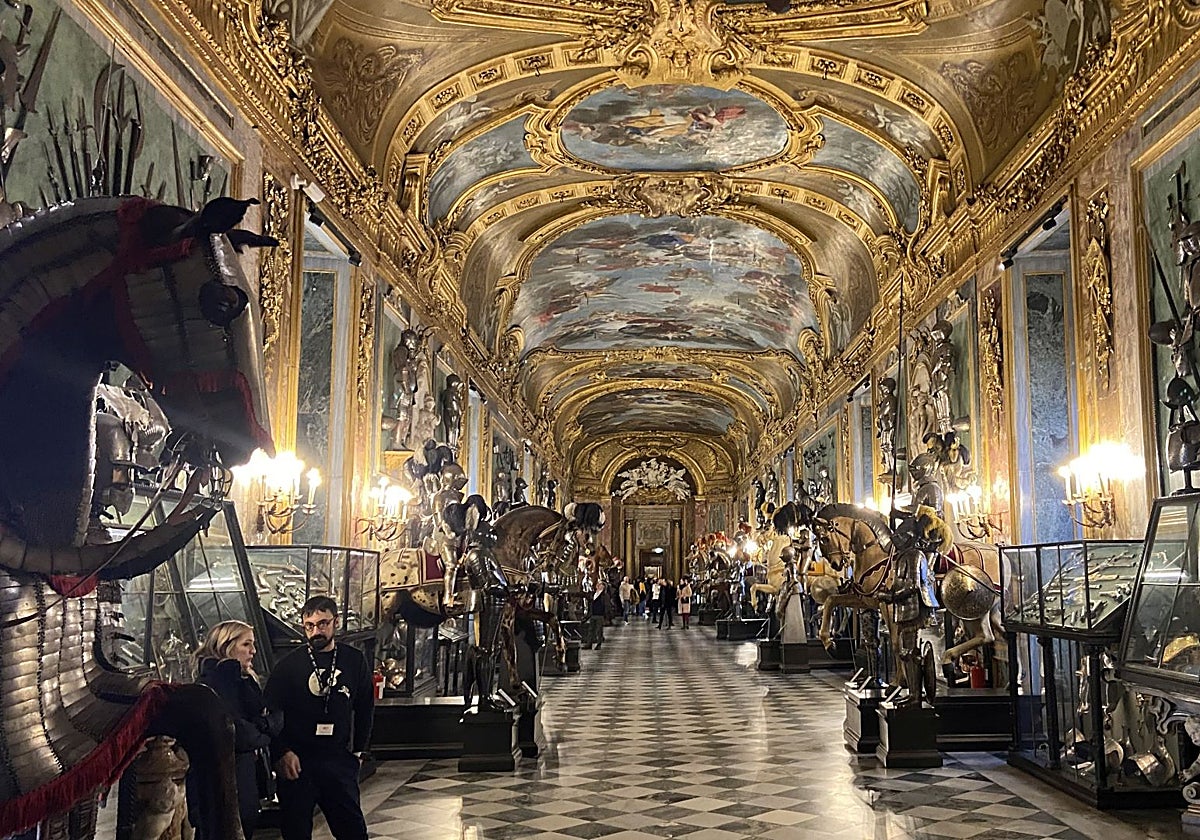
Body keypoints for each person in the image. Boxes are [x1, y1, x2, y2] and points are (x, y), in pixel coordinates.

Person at [265, 596, 375, 840]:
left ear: (336, 622)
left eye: (323, 624)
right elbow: (269, 714)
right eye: (310, 626)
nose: (316, 631)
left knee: (353, 831)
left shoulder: (354, 660)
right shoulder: (288, 665)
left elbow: (365, 707)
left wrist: (359, 751)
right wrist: (281, 752)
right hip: (298, 763)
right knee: (296, 832)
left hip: (338, 760)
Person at [194, 620, 280, 840]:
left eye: (253, 644)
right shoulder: (215, 683)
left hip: (244, 774)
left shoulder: (243, 679)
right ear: (227, 646)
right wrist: (266, 730)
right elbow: (238, 734)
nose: (253, 651)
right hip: (225, 779)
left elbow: (268, 720)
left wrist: (262, 728)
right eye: (246, 644)